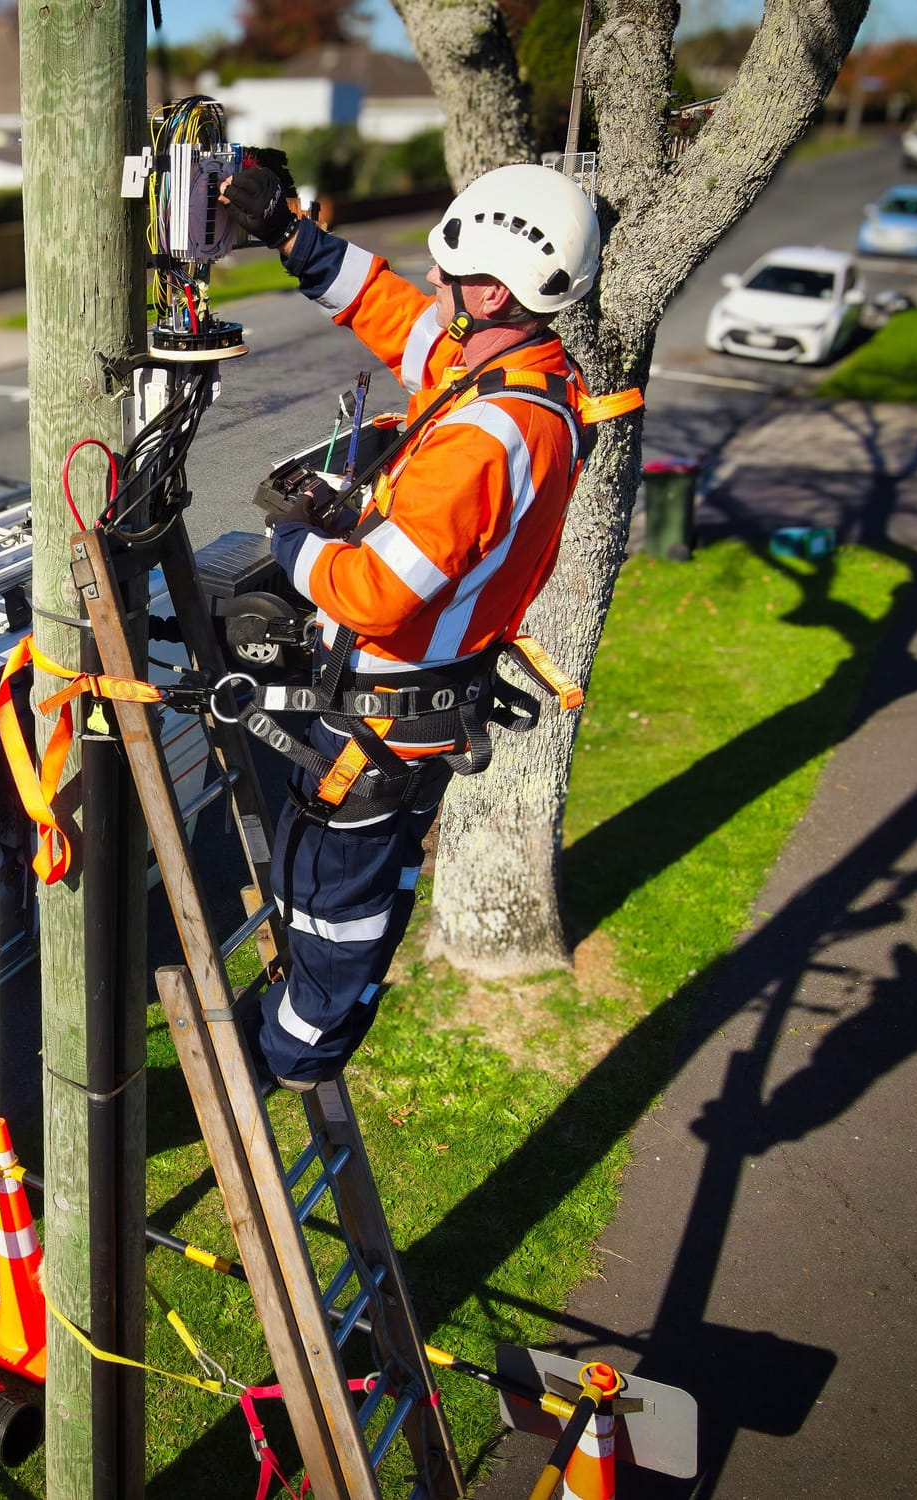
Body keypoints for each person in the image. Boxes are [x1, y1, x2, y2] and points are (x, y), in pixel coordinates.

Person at [216, 161, 635, 1088]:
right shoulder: (500, 373)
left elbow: (368, 593)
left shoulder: (491, 436)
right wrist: (294, 239)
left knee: (336, 916)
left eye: (453, 277)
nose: (437, 289)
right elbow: (399, 320)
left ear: (493, 290)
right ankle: (296, 1023)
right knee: (318, 883)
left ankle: (288, 1057)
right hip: (384, 716)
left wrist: (293, 540)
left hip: (383, 725)